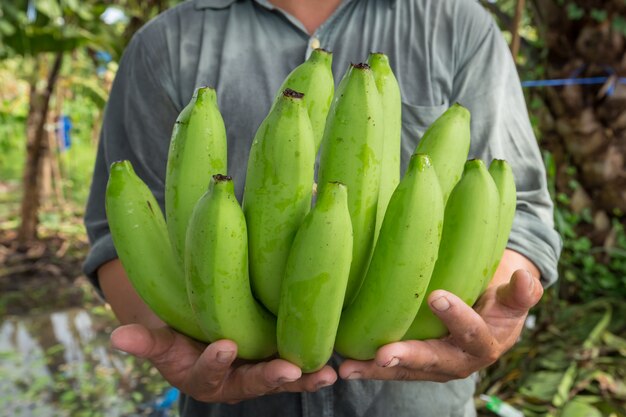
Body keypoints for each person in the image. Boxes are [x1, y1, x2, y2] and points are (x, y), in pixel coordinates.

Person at [83, 0, 563, 415]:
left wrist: (496, 304)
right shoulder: (166, 43)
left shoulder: (457, 23)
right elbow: (125, 228)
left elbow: (512, 203)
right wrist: (166, 334)